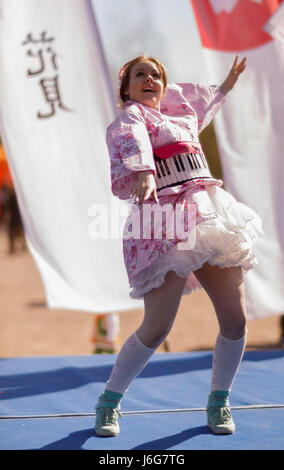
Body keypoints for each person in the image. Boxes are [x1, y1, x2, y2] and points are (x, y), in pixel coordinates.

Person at [94, 54, 263, 437]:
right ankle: (108, 402)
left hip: (206, 215)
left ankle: (219, 402)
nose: (149, 79)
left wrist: (226, 85)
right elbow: (132, 139)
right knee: (156, 327)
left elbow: (203, 110)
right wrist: (143, 173)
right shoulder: (132, 117)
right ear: (127, 88)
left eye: (156, 74)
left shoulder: (181, 118)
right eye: (140, 75)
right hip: (164, 221)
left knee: (235, 319)